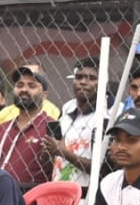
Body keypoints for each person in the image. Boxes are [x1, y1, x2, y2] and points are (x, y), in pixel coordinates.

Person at [44, 57, 106, 193]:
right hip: (59, 191)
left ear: (103, 82)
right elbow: (56, 152)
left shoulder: (106, 114)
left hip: (85, 197)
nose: (83, 82)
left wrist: (62, 152)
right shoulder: (67, 107)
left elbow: (101, 168)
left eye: (91, 78)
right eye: (79, 77)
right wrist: (50, 149)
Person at [0, 66, 53, 191]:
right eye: (19, 85)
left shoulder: (50, 126)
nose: (24, 89)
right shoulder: (2, 128)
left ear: (44, 95)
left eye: (32, 85)